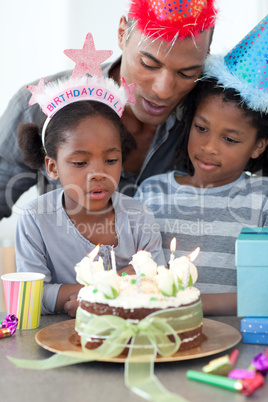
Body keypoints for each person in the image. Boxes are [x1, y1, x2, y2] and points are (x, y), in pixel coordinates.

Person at [0, 0, 217, 220]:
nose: (163, 91)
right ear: (122, 33)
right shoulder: (38, 106)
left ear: (206, 55)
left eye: (186, 74)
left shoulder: (217, 118)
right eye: (149, 64)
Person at [15, 35, 166, 317]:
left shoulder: (139, 216)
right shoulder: (35, 219)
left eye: (111, 160)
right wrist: (94, 293)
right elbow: (32, 289)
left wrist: (105, 292)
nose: (98, 173)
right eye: (80, 162)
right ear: (52, 167)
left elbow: (156, 276)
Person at [134, 15, 268, 316]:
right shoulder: (152, 191)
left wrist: (187, 305)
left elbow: (261, 294)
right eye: (202, 128)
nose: (208, 147)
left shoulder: (261, 198)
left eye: (230, 139)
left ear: (258, 146)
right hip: (161, 332)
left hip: (237, 338)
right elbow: (140, 276)